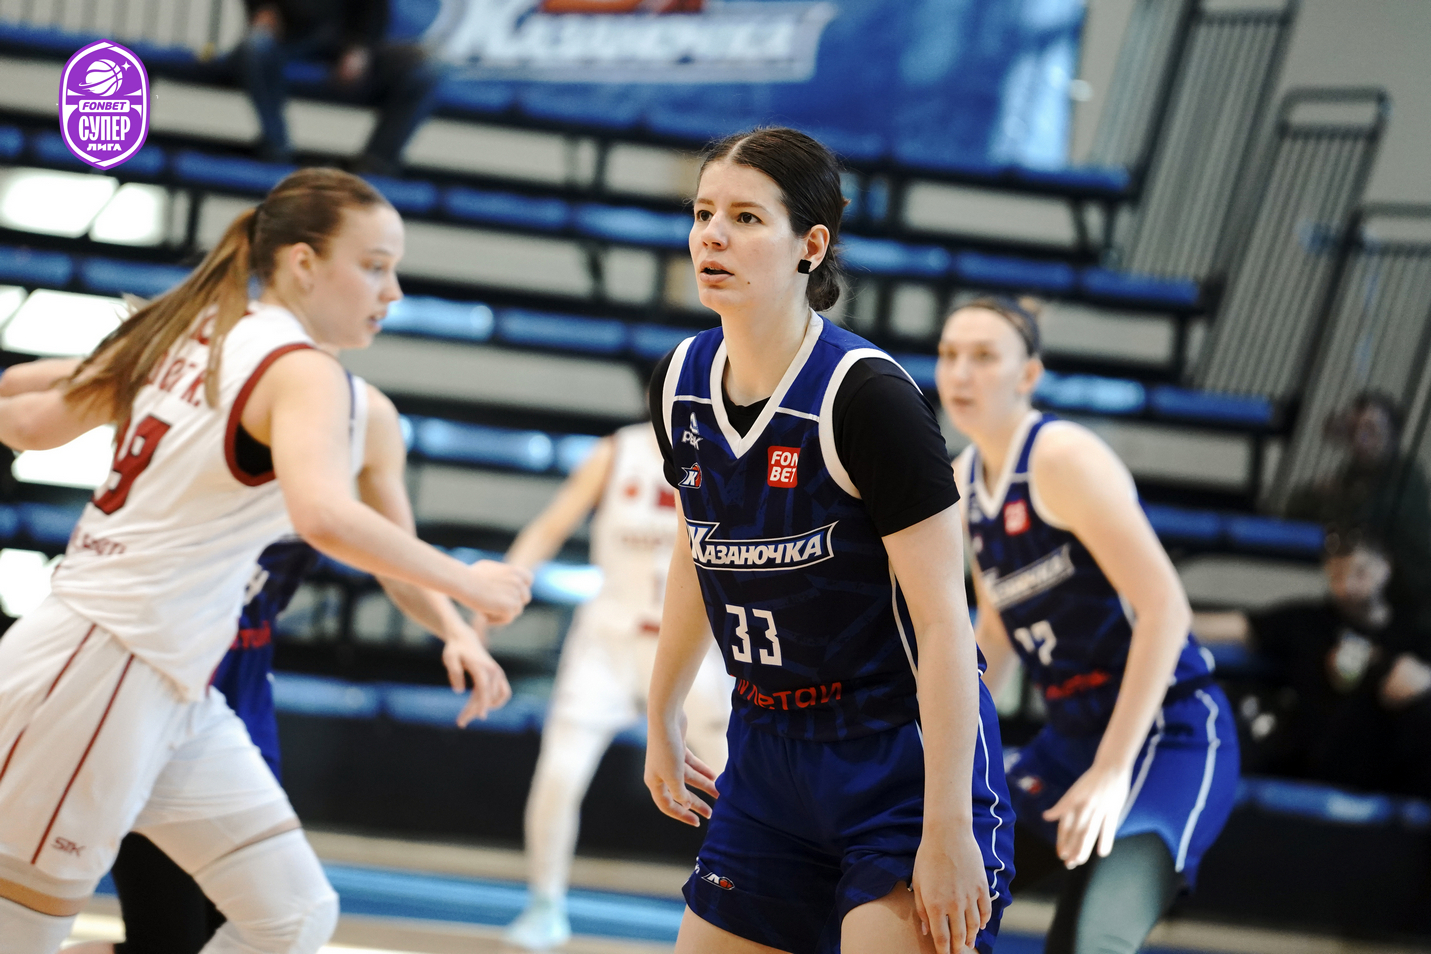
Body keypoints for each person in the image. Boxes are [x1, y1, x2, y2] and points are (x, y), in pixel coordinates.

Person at [0, 167, 531, 954]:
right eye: (374, 266)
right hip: (107, 660)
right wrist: (466, 578)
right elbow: (323, 516)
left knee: (293, 917)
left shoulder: (195, 333)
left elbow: (29, 423)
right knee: (24, 934)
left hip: (176, 676)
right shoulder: (302, 370)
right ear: (303, 262)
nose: (392, 291)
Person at [644, 127, 1015, 954]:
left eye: (745, 217)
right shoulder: (678, 383)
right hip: (767, 751)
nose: (711, 235)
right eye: (703, 213)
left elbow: (944, 627)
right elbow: (695, 549)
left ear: (810, 246)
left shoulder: (867, 398)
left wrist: (947, 826)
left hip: (897, 755)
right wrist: (662, 708)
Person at [936, 296, 1239, 954]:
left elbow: (1166, 607)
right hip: (1071, 739)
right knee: (941, 902)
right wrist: (943, 746)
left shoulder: (1061, 456)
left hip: (1168, 733)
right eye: (949, 354)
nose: (959, 373)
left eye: (983, 356)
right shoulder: (963, 483)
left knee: (1089, 940)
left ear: (1028, 375)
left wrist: (1110, 769)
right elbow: (996, 633)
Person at [503, 423, 733, 950]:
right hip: (608, 642)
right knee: (560, 773)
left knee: (736, 782)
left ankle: (746, 903)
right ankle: (545, 906)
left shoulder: (728, 451)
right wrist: (507, 584)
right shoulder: (616, 451)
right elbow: (550, 525)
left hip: (694, 648)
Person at [1195, 528, 1431, 798]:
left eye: (1360, 572)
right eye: (1338, 575)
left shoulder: (1413, 634)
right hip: (1321, 766)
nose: (1348, 586)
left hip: (1396, 777)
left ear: (1384, 567)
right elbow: (1232, 627)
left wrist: (1424, 680)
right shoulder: (1306, 623)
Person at [236, 0, 446, 173]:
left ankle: (374, 167)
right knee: (256, 46)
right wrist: (261, 8)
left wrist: (360, 45)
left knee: (422, 70)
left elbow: (373, 8)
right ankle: (276, 149)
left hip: (349, 35)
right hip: (290, 33)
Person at [1284, 392, 1431, 612]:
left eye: (1370, 429)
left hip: (1410, 593)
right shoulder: (1351, 474)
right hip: (1362, 588)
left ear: (1392, 434)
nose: (1360, 438)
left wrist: (1341, 499)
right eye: (1354, 430)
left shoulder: (1406, 474)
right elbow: (1296, 511)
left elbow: (1374, 518)